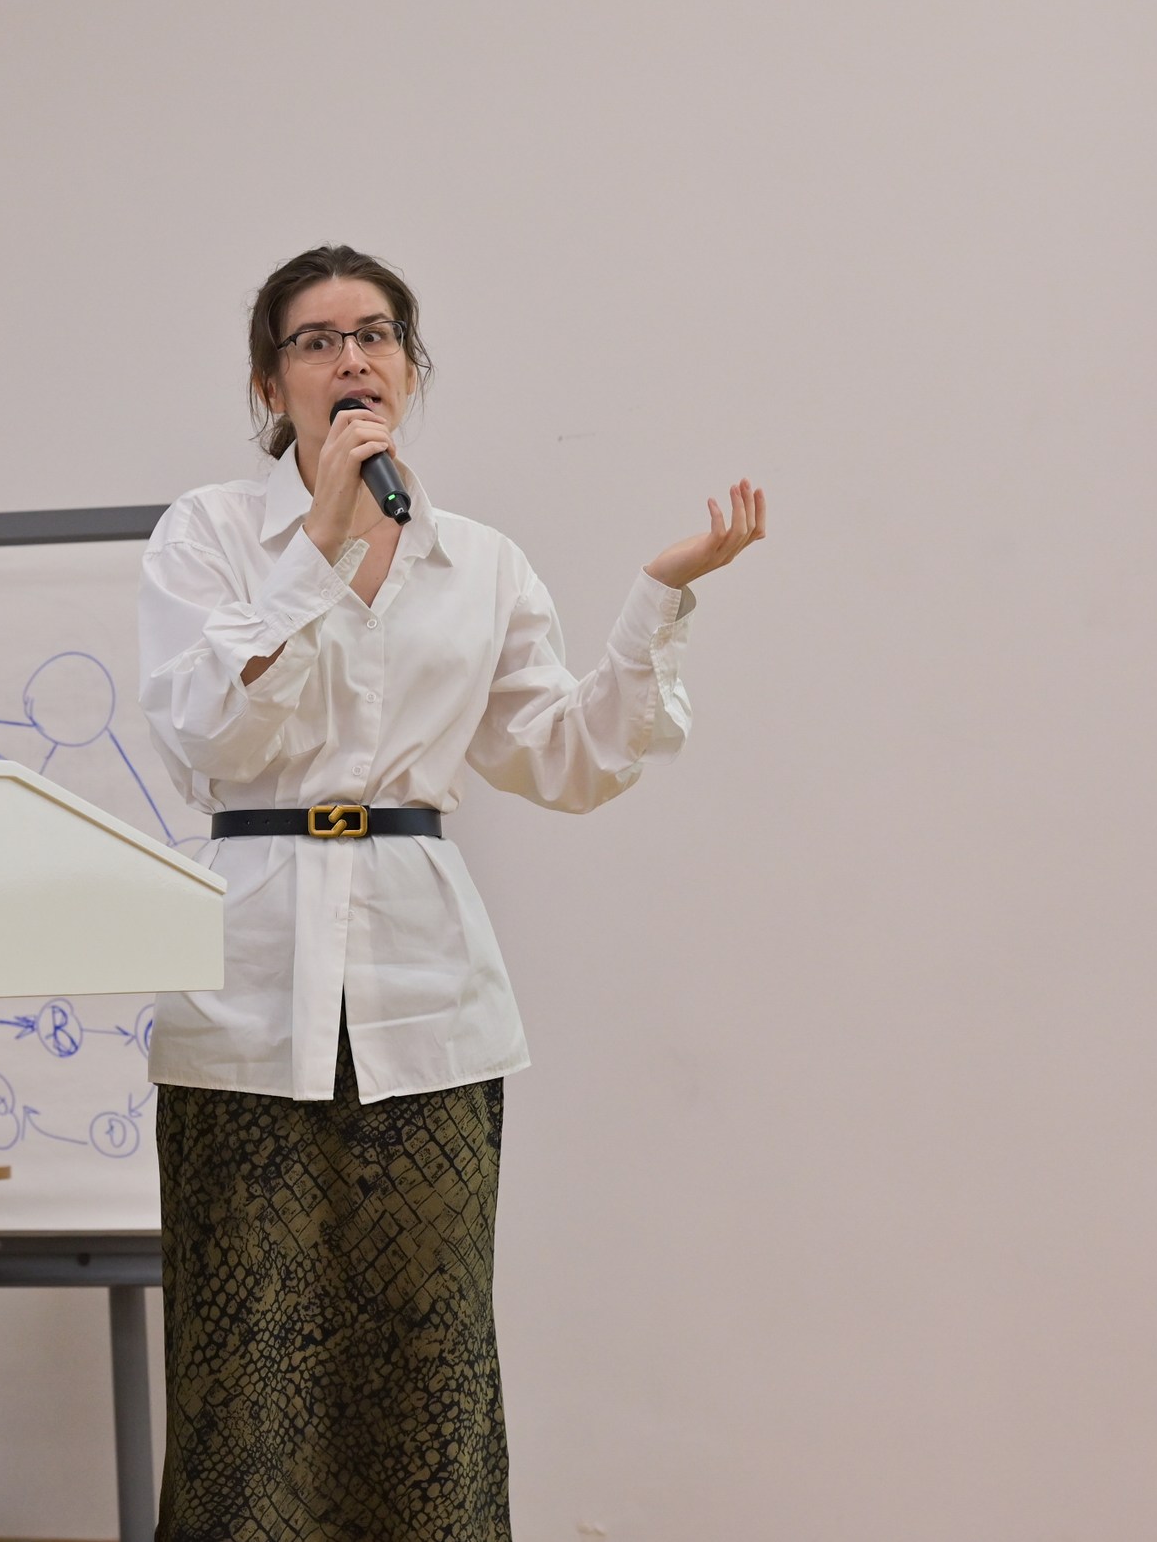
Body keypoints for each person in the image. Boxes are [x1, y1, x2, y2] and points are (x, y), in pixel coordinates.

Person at [137, 244, 764, 1540]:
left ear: (411, 370)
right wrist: (319, 543)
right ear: (270, 382)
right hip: (244, 999)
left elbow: (567, 758)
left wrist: (658, 598)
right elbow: (202, 733)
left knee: (427, 1373)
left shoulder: (478, 563)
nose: (351, 359)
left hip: (426, 1007)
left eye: (375, 335)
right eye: (316, 341)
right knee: (242, 1377)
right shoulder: (209, 535)